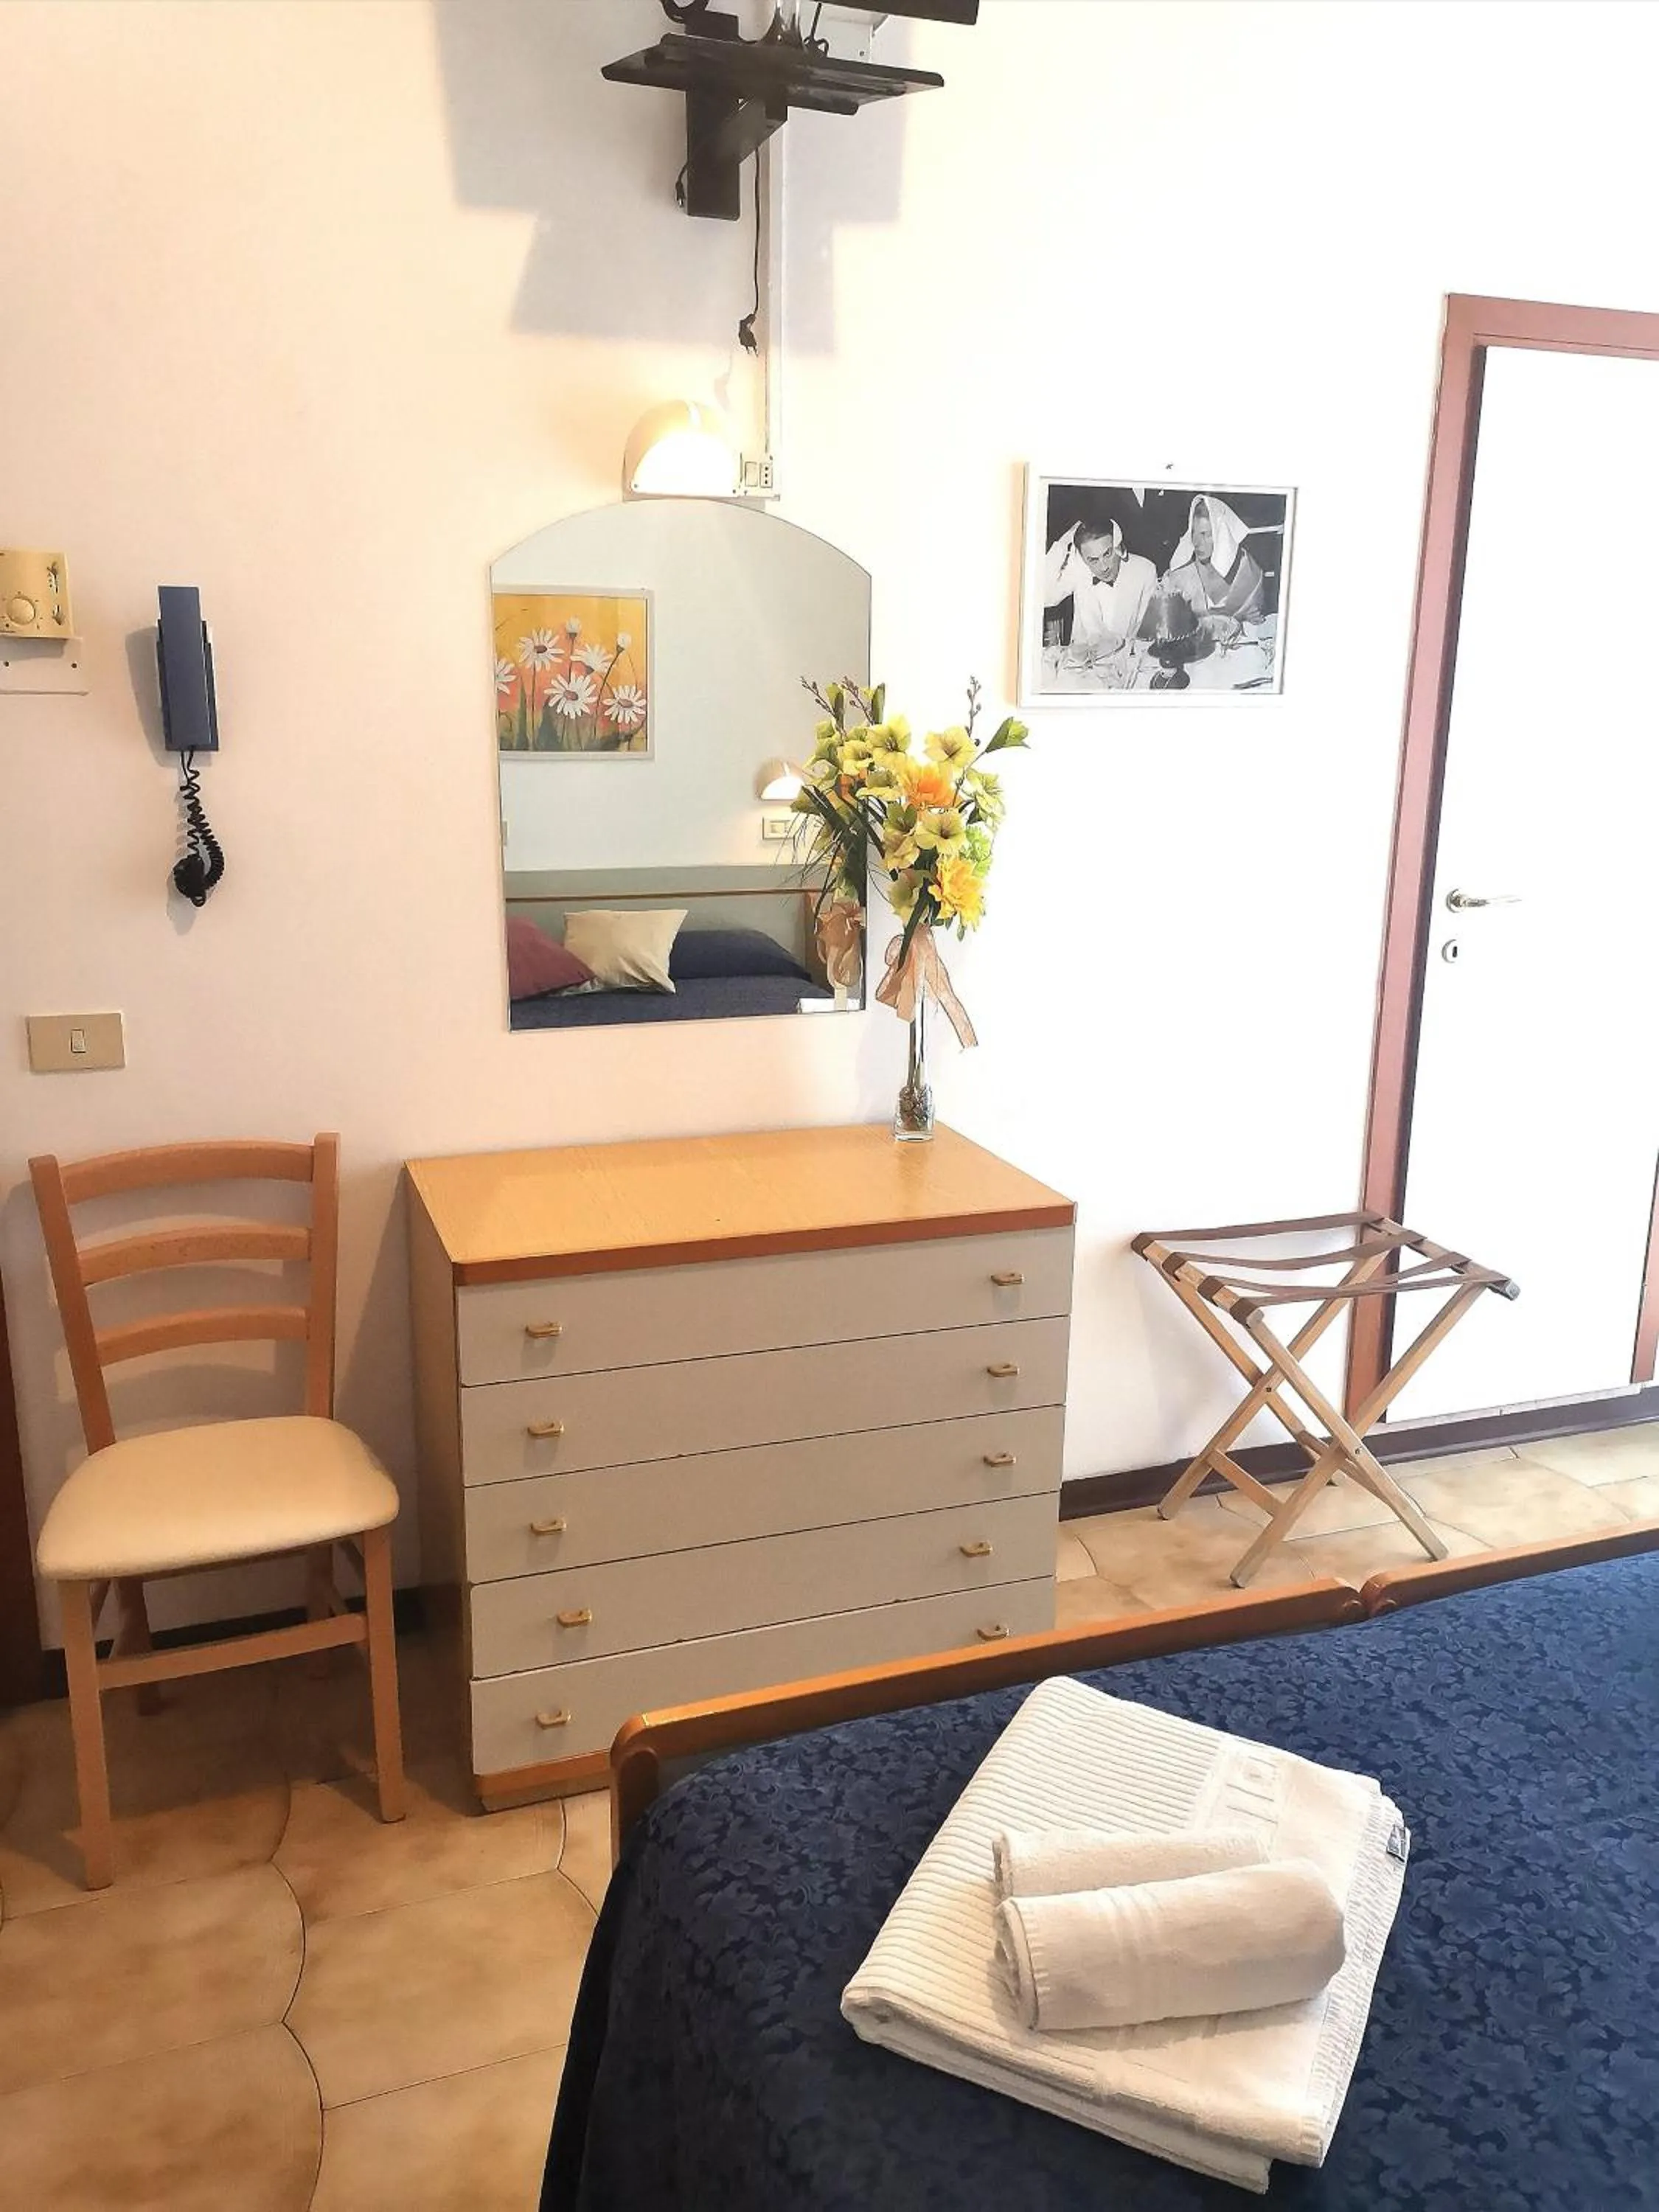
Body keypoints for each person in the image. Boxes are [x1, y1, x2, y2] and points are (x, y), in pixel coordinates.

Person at [1042, 516, 1157, 672]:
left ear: (1117, 545)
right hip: (1083, 671)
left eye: (1107, 554)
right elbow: (1044, 596)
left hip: (1127, 668)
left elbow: (1147, 637)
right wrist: (1065, 542)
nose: (1103, 567)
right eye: (1093, 560)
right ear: (1082, 559)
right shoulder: (1079, 572)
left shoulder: (1144, 570)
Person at [1161, 495, 1271, 644]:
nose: (1197, 543)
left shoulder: (1246, 569)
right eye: (1194, 533)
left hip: (1233, 651)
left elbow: (1253, 616)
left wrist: (1252, 617)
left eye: (1206, 535)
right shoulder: (1179, 576)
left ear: (1221, 535)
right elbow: (1165, 624)